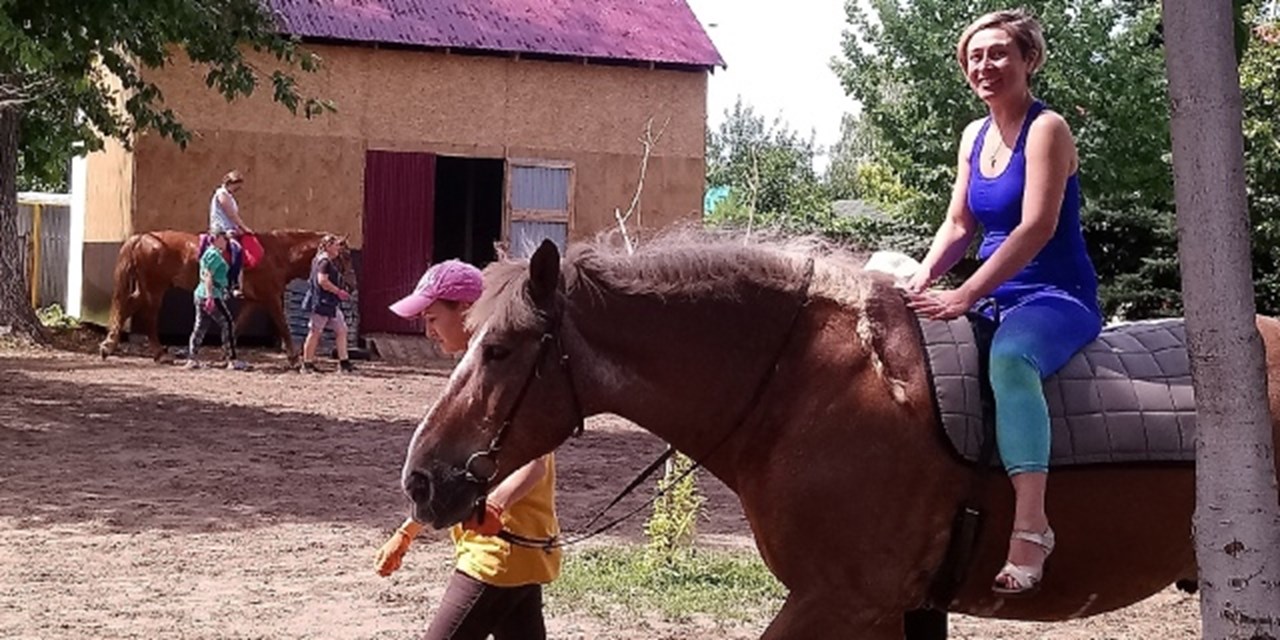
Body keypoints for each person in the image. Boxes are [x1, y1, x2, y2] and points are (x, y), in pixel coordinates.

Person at [903, 9, 1102, 597]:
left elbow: (1036, 227)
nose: (984, 66)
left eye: (998, 54)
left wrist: (966, 292)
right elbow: (959, 224)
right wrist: (920, 279)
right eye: (974, 57)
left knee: (1012, 360)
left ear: (1028, 59)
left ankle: (1032, 528)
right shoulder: (973, 135)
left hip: (1054, 295)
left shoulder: (1048, 129)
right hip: (993, 293)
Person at [374, 259, 562, 640]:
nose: (428, 331)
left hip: (498, 551)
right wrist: (408, 532)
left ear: (465, 309)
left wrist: (496, 506)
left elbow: (536, 464)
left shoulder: (499, 381)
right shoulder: (474, 375)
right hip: (515, 550)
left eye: (432, 319)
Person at [187, 230, 246, 370]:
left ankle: (192, 358)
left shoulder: (208, 253)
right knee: (228, 324)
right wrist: (210, 297)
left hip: (201, 294)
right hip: (213, 294)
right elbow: (208, 275)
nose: (226, 242)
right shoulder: (214, 255)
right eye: (224, 239)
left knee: (200, 326)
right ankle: (231, 359)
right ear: (217, 239)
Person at [300, 234, 355, 374]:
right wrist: (338, 292)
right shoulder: (324, 262)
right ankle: (307, 364)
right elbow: (322, 281)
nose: (338, 249)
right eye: (336, 246)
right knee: (315, 332)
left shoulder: (320, 260)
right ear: (328, 246)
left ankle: (344, 363)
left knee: (341, 330)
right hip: (322, 302)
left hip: (330, 303)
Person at [209, 170, 251, 296]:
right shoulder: (222, 194)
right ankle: (232, 284)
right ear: (231, 183)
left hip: (229, 228)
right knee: (236, 249)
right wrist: (244, 228)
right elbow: (231, 214)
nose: (238, 189)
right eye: (237, 186)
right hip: (220, 229)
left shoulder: (229, 195)